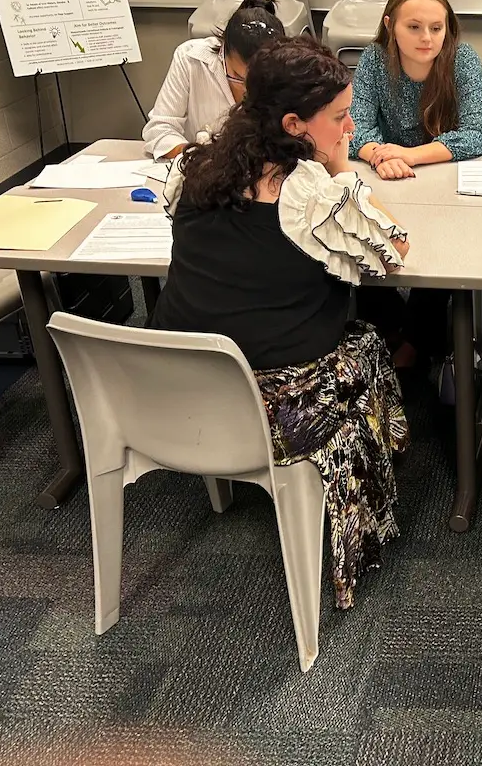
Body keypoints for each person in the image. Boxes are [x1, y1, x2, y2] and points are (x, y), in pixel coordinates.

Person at [150, 37, 410, 610]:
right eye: (339, 117)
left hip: (171, 388)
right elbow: (392, 251)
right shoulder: (308, 194)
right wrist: (341, 167)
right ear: (294, 125)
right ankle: (367, 496)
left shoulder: (195, 168)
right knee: (367, 341)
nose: (349, 128)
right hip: (273, 408)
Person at [349, 0, 482, 368]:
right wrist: (379, 155)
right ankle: (391, 335)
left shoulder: (463, 60)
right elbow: (356, 128)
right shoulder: (374, 60)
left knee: (441, 255)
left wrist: (409, 156)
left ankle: (414, 345)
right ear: (390, 25)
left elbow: (476, 134)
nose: (427, 38)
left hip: (446, 182)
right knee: (365, 245)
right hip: (388, 180)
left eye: (436, 27)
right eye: (414, 27)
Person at [141, 0, 286, 160]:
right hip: (200, 168)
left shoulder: (289, 71)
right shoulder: (191, 59)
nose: (247, 89)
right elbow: (160, 129)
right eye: (238, 76)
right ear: (223, 50)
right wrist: (201, 156)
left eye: (258, 80)